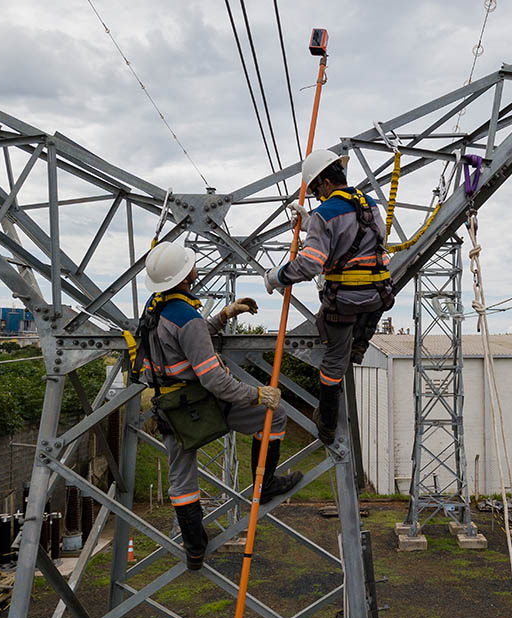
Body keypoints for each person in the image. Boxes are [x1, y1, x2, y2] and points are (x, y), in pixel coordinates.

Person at [139, 242, 301, 570]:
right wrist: (258, 396)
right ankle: (265, 484)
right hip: (202, 404)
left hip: (170, 408)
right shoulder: (186, 317)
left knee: (181, 478)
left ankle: (194, 548)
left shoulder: (155, 307)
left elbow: (183, 345)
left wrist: (223, 316)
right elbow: (215, 381)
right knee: (277, 415)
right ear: (185, 276)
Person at [264, 149, 394, 445]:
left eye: (314, 191)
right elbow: (356, 233)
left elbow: (310, 264)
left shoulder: (325, 213)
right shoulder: (370, 205)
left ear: (323, 182)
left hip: (344, 301)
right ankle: (359, 345)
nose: (316, 197)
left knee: (333, 363)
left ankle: (327, 425)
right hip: (377, 295)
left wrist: (275, 278)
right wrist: (311, 223)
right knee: (362, 317)